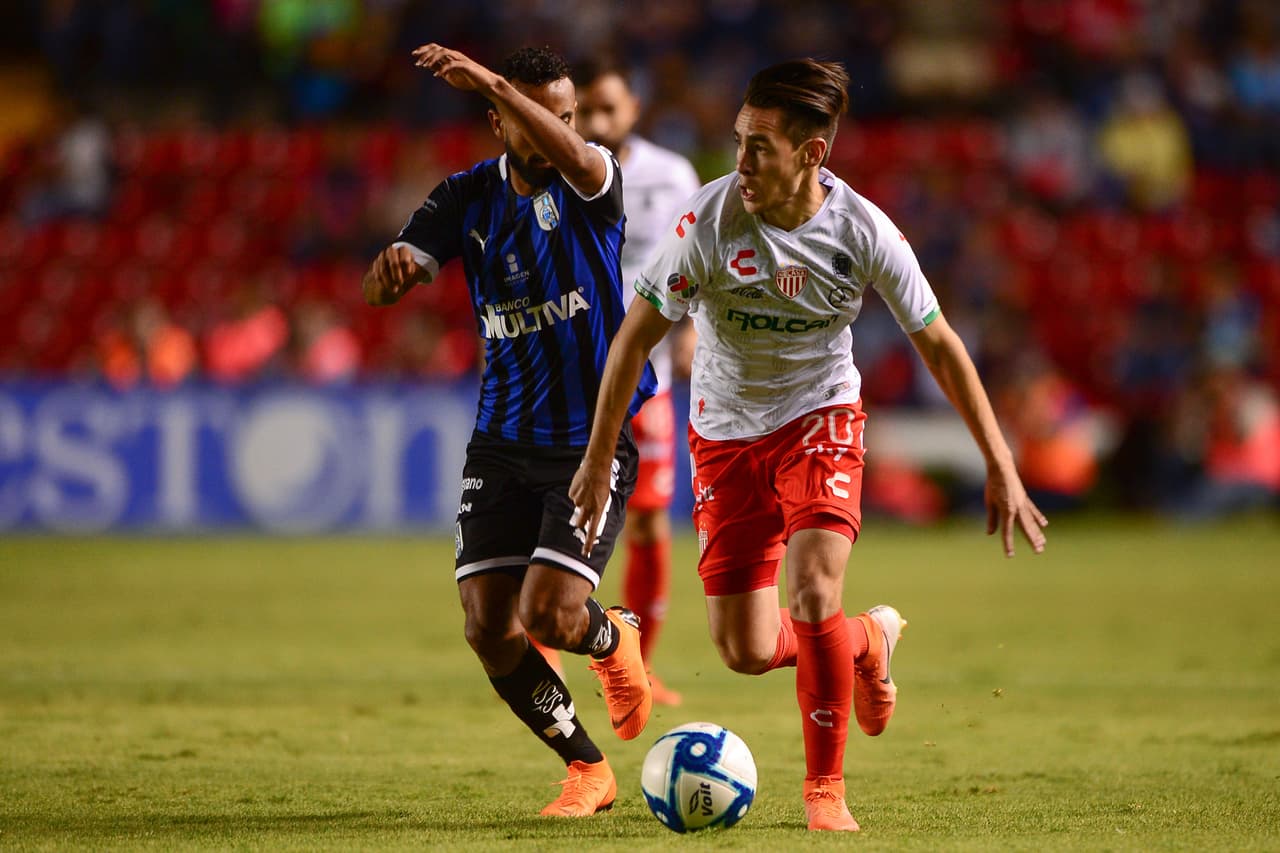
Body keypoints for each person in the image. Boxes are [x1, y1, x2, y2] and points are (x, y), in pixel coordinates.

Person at [569, 59, 1048, 832]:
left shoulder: (861, 229)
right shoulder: (709, 222)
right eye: (738, 141)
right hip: (724, 436)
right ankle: (867, 640)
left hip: (820, 418)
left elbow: (941, 344)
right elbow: (632, 340)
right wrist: (597, 461)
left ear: (812, 153)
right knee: (745, 649)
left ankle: (825, 789)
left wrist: (1000, 461)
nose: (742, 161)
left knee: (813, 590)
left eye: (760, 146)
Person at [362, 44, 657, 818]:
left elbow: (574, 150)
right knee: (488, 625)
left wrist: (493, 81)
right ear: (497, 123)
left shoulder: (595, 182)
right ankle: (587, 768)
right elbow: (383, 281)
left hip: (590, 438)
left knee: (551, 613)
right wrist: (391, 267)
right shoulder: (464, 199)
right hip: (501, 437)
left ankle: (608, 635)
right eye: (533, 113)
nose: (559, 128)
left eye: (564, 114)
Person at [565, 56, 702, 706]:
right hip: (568, 371)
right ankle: (550, 654)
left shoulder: (673, 176)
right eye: (584, 111)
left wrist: (693, 329)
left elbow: (697, 260)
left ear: (633, 110)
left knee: (647, 520)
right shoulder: (555, 172)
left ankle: (639, 665)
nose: (595, 121)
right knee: (556, 511)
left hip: (646, 372)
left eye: (606, 109)